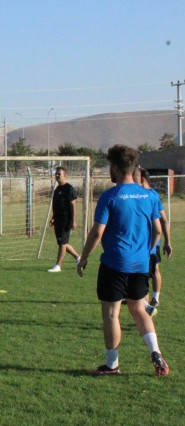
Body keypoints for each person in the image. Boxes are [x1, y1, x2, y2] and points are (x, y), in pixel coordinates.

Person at [77, 145, 169, 376]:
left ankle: (112, 365)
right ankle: (155, 352)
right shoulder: (148, 196)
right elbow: (157, 229)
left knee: (111, 314)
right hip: (140, 263)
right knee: (139, 310)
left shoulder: (110, 196)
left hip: (115, 264)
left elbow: (97, 233)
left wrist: (84, 257)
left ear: (116, 168)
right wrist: (146, 251)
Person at [137, 168, 172, 311]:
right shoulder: (147, 195)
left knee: (146, 272)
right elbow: (164, 220)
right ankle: (149, 300)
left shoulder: (149, 195)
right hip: (144, 242)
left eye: (135, 176)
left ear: (143, 177)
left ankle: (150, 303)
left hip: (148, 243)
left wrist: (168, 241)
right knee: (146, 272)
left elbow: (163, 221)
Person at [47, 167, 80, 272]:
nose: (56, 176)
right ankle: (78, 258)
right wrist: (53, 217)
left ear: (65, 175)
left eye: (59, 174)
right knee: (63, 242)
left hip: (66, 220)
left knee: (62, 243)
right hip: (58, 220)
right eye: (56, 174)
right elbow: (57, 205)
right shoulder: (57, 189)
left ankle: (58, 266)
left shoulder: (68, 188)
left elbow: (73, 206)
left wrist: (74, 221)